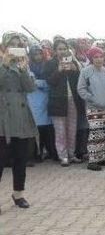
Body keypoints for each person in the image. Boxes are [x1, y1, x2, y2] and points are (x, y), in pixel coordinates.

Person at [0, 43, 37, 212]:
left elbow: (30, 88)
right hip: (3, 118)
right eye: (11, 46)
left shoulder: (23, 65)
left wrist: (23, 70)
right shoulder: (3, 65)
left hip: (21, 119)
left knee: (20, 159)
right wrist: (5, 65)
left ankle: (18, 194)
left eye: (18, 46)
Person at [43, 39, 84, 167]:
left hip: (73, 100)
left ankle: (71, 155)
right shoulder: (50, 63)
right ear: (55, 51)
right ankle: (63, 156)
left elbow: (80, 80)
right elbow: (50, 82)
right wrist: (58, 70)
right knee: (60, 131)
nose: (62, 51)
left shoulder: (74, 61)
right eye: (60, 49)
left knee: (72, 129)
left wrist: (75, 69)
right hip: (57, 101)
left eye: (64, 49)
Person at [77, 47, 105, 171]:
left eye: (101, 57)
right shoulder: (86, 71)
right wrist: (91, 99)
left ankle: (103, 157)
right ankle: (93, 160)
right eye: (96, 57)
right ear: (91, 58)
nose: (99, 59)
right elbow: (81, 89)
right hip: (93, 108)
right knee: (95, 133)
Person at [27, 45, 57, 161]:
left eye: (40, 54)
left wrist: (38, 83)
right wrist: (38, 83)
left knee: (48, 129)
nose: (38, 56)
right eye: (35, 54)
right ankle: (35, 154)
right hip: (32, 101)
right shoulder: (27, 67)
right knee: (35, 129)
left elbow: (50, 83)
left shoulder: (47, 65)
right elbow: (28, 84)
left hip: (46, 99)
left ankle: (51, 152)